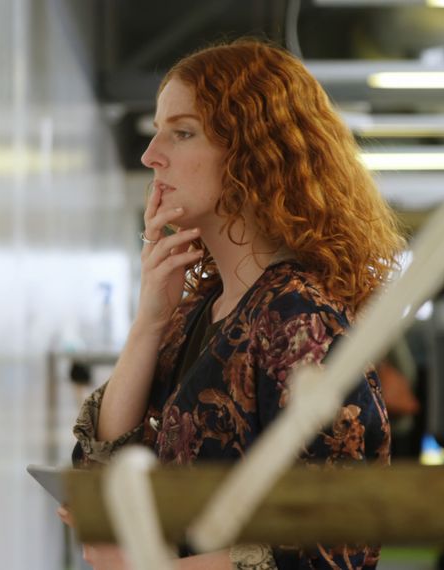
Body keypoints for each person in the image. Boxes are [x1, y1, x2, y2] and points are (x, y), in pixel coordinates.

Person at [58, 39, 404, 570]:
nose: (152, 156)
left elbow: (332, 541)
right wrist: (150, 320)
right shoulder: (205, 308)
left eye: (182, 132)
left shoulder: (297, 317)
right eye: (158, 132)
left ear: (255, 153)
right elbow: (97, 470)